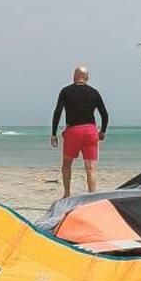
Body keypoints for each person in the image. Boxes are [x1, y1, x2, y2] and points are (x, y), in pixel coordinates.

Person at [51, 65, 109, 197]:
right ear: (87, 77)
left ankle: (67, 194)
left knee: (66, 164)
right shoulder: (94, 92)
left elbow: (57, 112)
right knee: (91, 168)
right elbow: (105, 114)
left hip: (73, 131)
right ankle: (91, 196)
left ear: (74, 77)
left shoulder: (65, 91)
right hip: (90, 132)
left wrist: (54, 133)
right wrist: (103, 131)